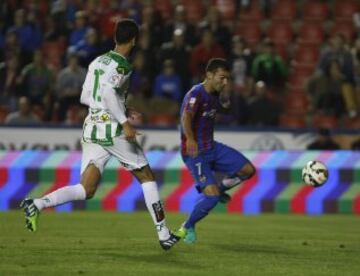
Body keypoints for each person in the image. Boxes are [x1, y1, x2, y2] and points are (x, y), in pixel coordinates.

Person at [20, 19, 180, 251]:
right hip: (110, 128)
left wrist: (120, 107)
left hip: (91, 125)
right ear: (134, 40)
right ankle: (164, 234)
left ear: (116, 37)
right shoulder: (123, 66)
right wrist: (124, 122)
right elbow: (106, 93)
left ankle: (37, 204)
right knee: (146, 175)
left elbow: (86, 97)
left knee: (87, 189)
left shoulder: (97, 61)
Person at [175, 58, 256, 244]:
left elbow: (215, 110)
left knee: (248, 170)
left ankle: (219, 189)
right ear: (209, 75)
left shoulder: (214, 95)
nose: (225, 82)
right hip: (195, 152)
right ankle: (186, 228)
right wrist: (190, 139)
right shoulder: (196, 94)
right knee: (210, 199)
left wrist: (225, 107)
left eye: (227, 78)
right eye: (222, 78)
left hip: (212, 147)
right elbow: (186, 117)